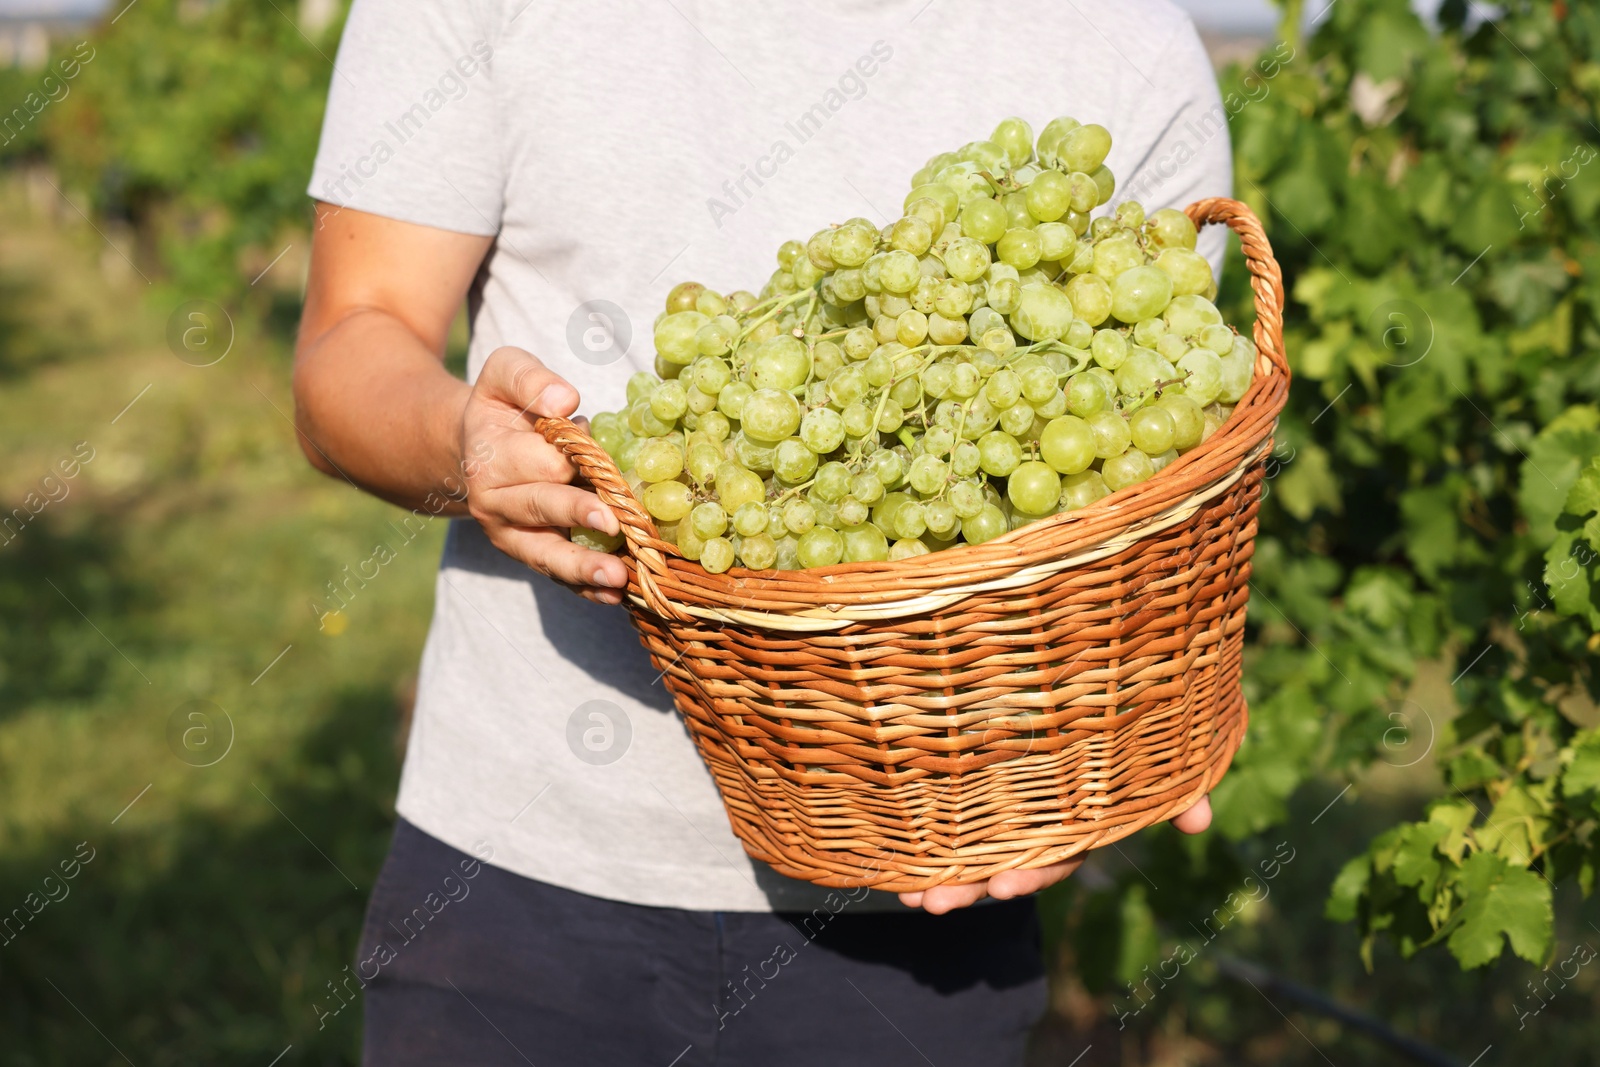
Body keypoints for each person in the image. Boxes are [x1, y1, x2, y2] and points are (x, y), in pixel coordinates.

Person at [293, 1, 1232, 1063]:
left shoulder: (1123, 39)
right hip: (517, 881)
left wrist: (1104, 718)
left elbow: (1147, 464)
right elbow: (346, 349)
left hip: (923, 909)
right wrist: (464, 445)